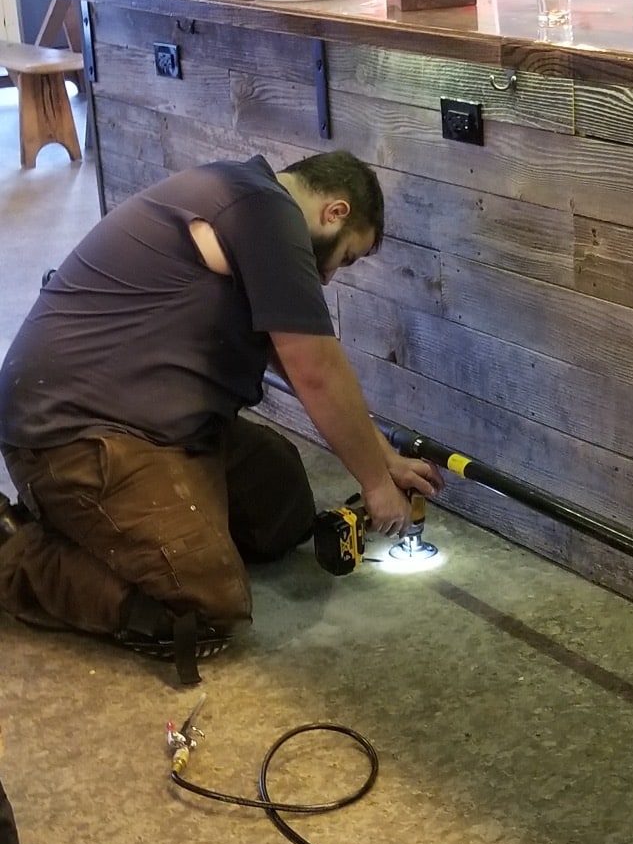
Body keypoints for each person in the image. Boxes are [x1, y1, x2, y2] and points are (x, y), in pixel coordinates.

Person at [0, 150, 443, 682]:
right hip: (74, 430)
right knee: (206, 603)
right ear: (335, 212)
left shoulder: (247, 200)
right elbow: (316, 373)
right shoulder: (264, 212)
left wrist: (384, 458)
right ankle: (16, 555)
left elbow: (297, 356)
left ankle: (111, 529)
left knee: (282, 510)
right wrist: (374, 483)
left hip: (158, 418)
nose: (328, 277)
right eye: (345, 258)